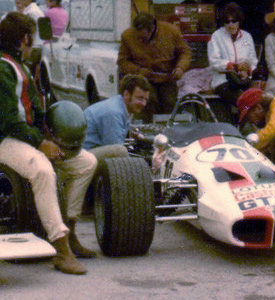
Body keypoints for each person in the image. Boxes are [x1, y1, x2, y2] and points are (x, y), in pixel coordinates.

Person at [0, 12, 97, 274]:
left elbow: (36, 111)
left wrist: (51, 136)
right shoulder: (2, 68)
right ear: (25, 39)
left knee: (86, 162)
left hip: (25, 136)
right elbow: (8, 121)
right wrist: (42, 144)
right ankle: (61, 249)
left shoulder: (19, 65)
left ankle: (70, 229)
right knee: (42, 170)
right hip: (5, 139)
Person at [117, 12, 191, 122]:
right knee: (147, 102)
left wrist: (180, 68)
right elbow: (122, 61)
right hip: (143, 78)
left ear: (152, 28)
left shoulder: (171, 31)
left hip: (168, 77)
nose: (141, 40)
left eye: (143, 37)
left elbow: (185, 52)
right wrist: (138, 71)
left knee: (170, 104)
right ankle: (144, 132)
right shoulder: (127, 36)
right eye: (138, 37)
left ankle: (168, 133)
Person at [207, 2, 258, 122]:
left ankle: (250, 129)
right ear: (223, 22)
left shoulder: (247, 36)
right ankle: (243, 129)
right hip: (222, 81)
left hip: (243, 79)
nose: (231, 24)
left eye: (234, 21)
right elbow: (214, 61)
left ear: (239, 21)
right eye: (227, 21)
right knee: (243, 101)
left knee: (257, 98)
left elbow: (253, 59)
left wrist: (248, 69)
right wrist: (233, 66)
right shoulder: (216, 36)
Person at [82, 74, 151, 159]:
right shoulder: (114, 113)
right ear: (126, 95)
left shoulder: (120, 105)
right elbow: (116, 150)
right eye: (140, 98)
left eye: (146, 99)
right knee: (120, 151)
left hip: (89, 151)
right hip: (82, 157)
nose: (144, 104)